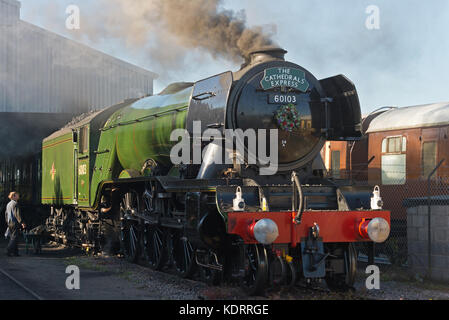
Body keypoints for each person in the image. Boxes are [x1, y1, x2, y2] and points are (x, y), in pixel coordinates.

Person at [5, 192, 26, 257]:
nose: (18, 196)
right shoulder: (15, 204)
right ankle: (9, 250)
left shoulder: (8, 204)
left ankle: (15, 252)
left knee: (14, 237)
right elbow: (17, 214)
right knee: (14, 237)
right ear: (13, 196)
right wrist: (22, 222)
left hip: (9, 222)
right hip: (14, 222)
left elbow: (6, 214)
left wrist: (7, 222)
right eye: (17, 195)